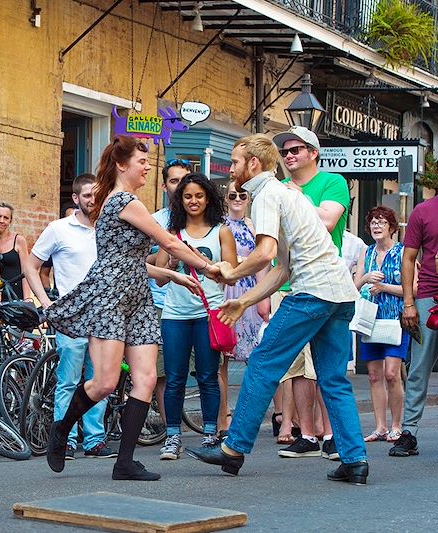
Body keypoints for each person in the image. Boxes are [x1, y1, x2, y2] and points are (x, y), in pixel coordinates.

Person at [187, 133, 368, 485]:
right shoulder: (285, 194)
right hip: (339, 294)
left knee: (262, 362)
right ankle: (355, 460)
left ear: (253, 164)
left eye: (236, 162)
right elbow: (283, 267)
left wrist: (232, 272)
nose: (232, 167)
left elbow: (265, 254)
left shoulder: (268, 194)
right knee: (333, 379)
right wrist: (244, 299)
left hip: (313, 292)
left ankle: (233, 449)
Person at [40, 136, 206, 481]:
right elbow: (169, 241)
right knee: (103, 382)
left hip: (137, 295)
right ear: (121, 165)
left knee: (145, 378)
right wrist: (209, 268)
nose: (147, 167)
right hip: (110, 296)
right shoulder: (124, 201)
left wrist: (173, 276)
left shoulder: (124, 202)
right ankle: (62, 429)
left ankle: (125, 462)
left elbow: (134, 261)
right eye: (141, 161)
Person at [23, 174, 116, 460]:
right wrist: (46, 302)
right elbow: (32, 265)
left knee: (99, 379)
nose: (92, 200)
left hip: (104, 313)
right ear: (76, 198)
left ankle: (95, 440)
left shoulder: (109, 227)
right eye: (87, 195)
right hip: (72, 315)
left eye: (97, 195)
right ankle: (64, 439)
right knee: (68, 380)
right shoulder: (58, 228)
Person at [272, 126, 350, 461]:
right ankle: (307, 434)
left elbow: (327, 221)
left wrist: (294, 196)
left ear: (313, 153)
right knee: (296, 368)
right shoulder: (280, 190)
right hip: (287, 282)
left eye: (296, 150)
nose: (289, 156)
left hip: (322, 285)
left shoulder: (332, 182)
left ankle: (332, 436)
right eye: (285, 152)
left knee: (326, 369)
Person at [156, 173, 237, 459]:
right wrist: (175, 261)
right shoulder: (172, 233)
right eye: (188, 196)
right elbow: (161, 279)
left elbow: (231, 275)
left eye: (199, 196)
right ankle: (173, 436)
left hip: (208, 312)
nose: (193, 201)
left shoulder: (221, 231)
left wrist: (207, 264)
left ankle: (210, 434)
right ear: (180, 200)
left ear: (208, 198)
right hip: (175, 314)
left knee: (207, 376)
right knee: (174, 377)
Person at [353, 206, 408, 443]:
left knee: (392, 373)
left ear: (392, 228)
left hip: (396, 319)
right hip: (370, 320)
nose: (376, 226)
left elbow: (412, 288)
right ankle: (380, 427)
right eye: (373, 222)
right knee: (374, 375)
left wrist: (384, 287)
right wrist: (365, 278)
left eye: (381, 222)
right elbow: (354, 287)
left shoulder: (403, 252)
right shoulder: (367, 252)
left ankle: (397, 424)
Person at [391, 191, 438, 457]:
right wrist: (409, 302)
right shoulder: (423, 210)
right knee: (418, 367)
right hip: (428, 298)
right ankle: (408, 432)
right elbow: (408, 258)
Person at [221, 181, 269, 434]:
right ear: (226, 198)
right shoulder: (221, 226)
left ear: (249, 199)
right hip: (227, 290)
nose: (237, 199)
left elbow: (262, 264)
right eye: (232, 195)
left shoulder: (255, 226)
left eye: (242, 195)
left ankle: (248, 412)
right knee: (223, 357)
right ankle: (224, 414)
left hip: (249, 291)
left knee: (254, 355)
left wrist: (264, 298)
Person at [147, 159, 191, 428]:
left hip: (197, 301)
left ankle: (218, 427)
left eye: (184, 180)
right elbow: (139, 260)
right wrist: (162, 257)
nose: (179, 186)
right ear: (165, 186)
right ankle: (170, 427)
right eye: (174, 181)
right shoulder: (155, 221)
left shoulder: (204, 218)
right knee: (164, 371)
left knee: (207, 369)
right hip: (161, 301)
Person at [0, 202, 31, 300]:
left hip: (16, 296)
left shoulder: (18, 240)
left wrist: (27, 298)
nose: (1, 221)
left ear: (10, 221)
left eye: (6, 218)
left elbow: (26, 272)